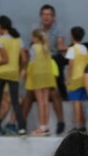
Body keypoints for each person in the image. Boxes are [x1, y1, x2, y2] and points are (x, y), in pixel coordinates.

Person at [23, 4, 67, 134]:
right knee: (30, 95)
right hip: (38, 62)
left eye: (49, 15)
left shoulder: (58, 28)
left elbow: (59, 47)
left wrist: (72, 48)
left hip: (51, 60)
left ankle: (60, 122)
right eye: (44, 14)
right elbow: (32, 48)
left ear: (53, 17)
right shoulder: (35, 28)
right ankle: (22, 122)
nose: (46, 17)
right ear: (40, 16)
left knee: (54, 94)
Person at [0, 16, 26, 137]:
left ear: (0, 26)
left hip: (1, 73)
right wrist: (20, 69)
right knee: (15, 102)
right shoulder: (18, 40)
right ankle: (22, 128)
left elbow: (4, 59)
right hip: (14, 73)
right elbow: (24, 58)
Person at [25, 30, 58, 136]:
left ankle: (41, 127)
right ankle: (46, 126)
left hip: (37, 75)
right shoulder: (47, 48)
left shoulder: (33, 47)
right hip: (47, 76)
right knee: (46, 102)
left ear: (36, 37)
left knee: (40, 102)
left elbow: (31, 62)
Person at [65, 26, 88, 133]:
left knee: (76, 103)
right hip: (84, 78)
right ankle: (83, 125)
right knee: (81, 102)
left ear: (72, 36)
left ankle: (78, 126)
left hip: (75, 77)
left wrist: (68, 78)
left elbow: (70, 65)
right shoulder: (85, 49)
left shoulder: (72, 49)